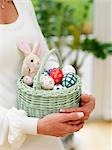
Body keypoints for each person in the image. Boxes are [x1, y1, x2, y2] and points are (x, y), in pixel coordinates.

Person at [0, 0, 95, 150]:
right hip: (9, 139)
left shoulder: (22, 2)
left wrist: (77, 95)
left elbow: (44, 58)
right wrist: (35, 126)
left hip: (45, 136)